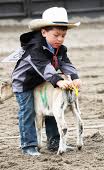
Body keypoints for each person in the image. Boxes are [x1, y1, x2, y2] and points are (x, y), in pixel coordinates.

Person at [11, 7, 82, 156]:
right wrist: (58, 81)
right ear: (44, 32)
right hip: (24, 83)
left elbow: (66, 63)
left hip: (42, 82)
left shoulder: (60, 48)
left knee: (52, 107)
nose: (60, 39)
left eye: (63, 35)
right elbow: (44, 67)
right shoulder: (35, 48)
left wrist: (75, 77)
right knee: (28, 111)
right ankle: (28, 145)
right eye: (56, 35)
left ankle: (54, 141)